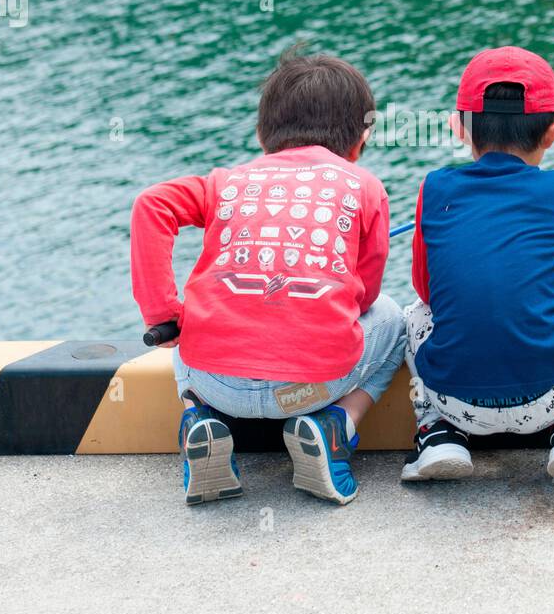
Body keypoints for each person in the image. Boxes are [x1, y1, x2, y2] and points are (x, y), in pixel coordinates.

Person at [131, 48, 404, 506]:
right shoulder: (366, 187)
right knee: (393, 319)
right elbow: (364, 298)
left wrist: (164, 313)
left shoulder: (224, 182)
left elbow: (151, 205)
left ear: (262, 134)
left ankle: (199, 416)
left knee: (193, 316)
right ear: (362, 138)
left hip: (217, 382)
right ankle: (334, 426)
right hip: (313, 390)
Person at [402, 46, 554, 485]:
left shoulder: (433, 188)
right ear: (553, 132)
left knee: (412, 313)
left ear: (459, 128)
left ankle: (437, 433)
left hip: (455, 399)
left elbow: (428, 291)